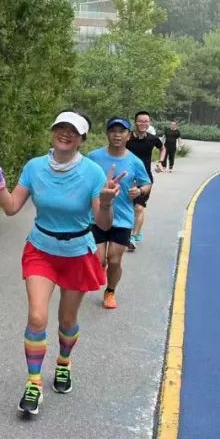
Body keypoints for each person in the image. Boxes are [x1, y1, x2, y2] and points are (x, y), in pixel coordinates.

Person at [0, 112, 121, 416]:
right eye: (60, 128)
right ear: (53, 132)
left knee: (67, 321)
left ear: (82, 139)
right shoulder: (35, 167)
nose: (65, 134)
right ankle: (34, 383)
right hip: (41, 249)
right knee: (37, 317)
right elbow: (11, 208)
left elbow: (104, 224)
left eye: (73, 131)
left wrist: (107, 201)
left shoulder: (93, 173)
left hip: (77, 252)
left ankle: (64, 363)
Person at [87, 118, 152, 309]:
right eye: (113, 131)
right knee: (98, 260)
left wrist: (139, 191)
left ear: (128, 135)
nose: (117, 135)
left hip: (122, 219)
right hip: (96, 216)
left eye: (121, 131)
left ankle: (110, 291)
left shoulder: (135, 161)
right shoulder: (93, 157)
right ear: (107, 134)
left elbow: (147, 183)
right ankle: (101, 268)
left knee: (114, 260)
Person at [127, 111, 163, 246]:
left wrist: (160, 162)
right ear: (135, 122)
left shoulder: (152, 139)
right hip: (127, 178)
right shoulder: (127, 138)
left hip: (145, 179)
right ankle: (134, 229)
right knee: (128, 207)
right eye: (140, 121)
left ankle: (133, 237)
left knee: (139, 207)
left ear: (149, 123)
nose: (143, 124)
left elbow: (162, 148)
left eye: (146, 121)